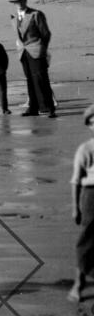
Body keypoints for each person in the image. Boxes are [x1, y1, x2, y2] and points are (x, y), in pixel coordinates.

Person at [8, 0, 57, 118]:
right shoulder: (13, 17)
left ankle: (49, 108)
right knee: (30, 80)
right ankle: (33, 108)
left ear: (25, 0)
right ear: (13, 3)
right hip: (23, 52)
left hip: (36, 50)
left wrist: (43, 49)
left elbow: (46, 34)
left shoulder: (36, 14)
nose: (19, 3)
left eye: (21, 0)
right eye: (16, 1)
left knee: (42, 80)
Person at [70, 104, 94, 302]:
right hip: (90, 196)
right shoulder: (85, 149)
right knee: (87, 241)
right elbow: (76, 181)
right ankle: (79, 282)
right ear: (89, 126)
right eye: (93, 123)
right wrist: (75, 208)